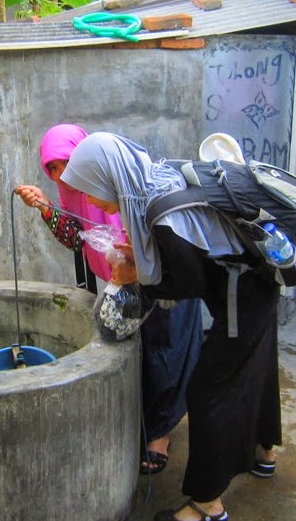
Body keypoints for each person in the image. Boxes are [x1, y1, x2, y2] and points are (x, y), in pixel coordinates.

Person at [60, 131, 281, 521]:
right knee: (257, 365)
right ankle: (263, 453)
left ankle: (207, 505)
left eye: (91, 188)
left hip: (243, 295)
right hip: (257, 279)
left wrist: (132, 277)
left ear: (110, 176)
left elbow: (186, 285)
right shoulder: (157, 179)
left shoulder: (159, 213)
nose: (91, 201)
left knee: (208, 390)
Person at [15, 124, 202, 475]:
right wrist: (46, 208)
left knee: (165, 353)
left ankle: (160, 434)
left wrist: (138, 261)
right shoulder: (74, 193)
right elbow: (79, 239)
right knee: (143, 355)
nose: (62, 174)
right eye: (52, 168)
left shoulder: (129, 188)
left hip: (164, 281)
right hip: (130, 282)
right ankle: (148, 423)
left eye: (66, 163)